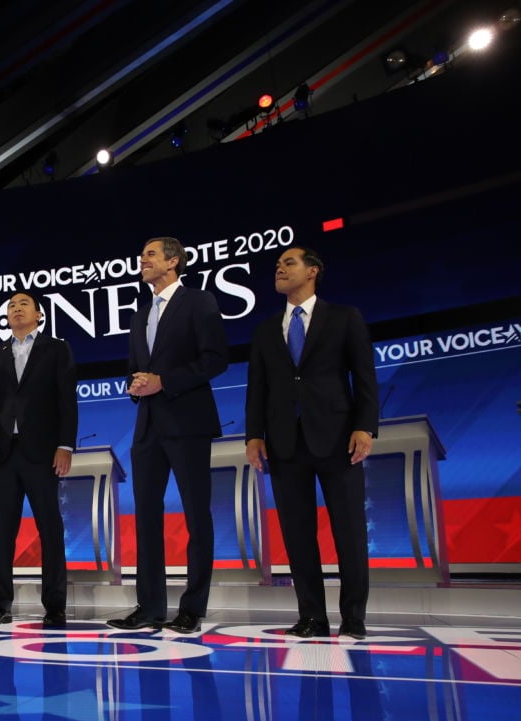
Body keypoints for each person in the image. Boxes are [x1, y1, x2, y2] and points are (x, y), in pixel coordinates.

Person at [244, 246, 378, 639]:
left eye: (289, 263)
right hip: (285, 444)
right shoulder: (266, 330)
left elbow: (364, 376)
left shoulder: (344, 317)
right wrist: (254, 435)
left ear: (313, 271)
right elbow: (258, 389)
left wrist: (365, 427)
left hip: (338, 439)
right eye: (278, 265)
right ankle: (312, 617)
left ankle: (353, 618)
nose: (280, 269)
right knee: (298, 534)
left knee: (349, 531)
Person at [107, 236, 227, 635]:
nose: (142, 260)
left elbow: (215, 359)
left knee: (196, 516)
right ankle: (150, 608)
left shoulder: (199, 301)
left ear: (173, 261)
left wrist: (164, 382)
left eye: (150, 255)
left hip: (188, 422)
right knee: (145, 519)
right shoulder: (140, 314)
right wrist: (136, 383)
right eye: (141, 255)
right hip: (148, 428)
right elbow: (136, 367)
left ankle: (192, 608)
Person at [0, 291, 78, 626]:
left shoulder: (56, 348)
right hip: (3, 454)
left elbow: (66, 401)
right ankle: (0, 603)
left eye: (24, 305)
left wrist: (66, 445)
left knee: (50, 528)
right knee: (2, 531)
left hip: (42, 452)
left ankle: (55, 604)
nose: (16, 309)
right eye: (11, 306)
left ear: (39, 314)